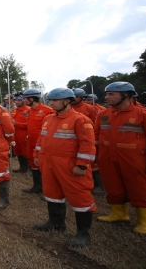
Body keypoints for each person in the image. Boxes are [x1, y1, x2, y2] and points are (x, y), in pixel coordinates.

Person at [95, 82, 146, 234]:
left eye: (111, 94)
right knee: (112, 186)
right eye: (107, 94)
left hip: (134, 159)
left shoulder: (145, 115)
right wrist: (95, 156)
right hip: (108, 158)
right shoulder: (103, 114)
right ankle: (119, 214)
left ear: (126, 95)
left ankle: (144, 222)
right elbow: (95, 136)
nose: (107, 97)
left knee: (139, 188)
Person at [32, 88, 96, 248]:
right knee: (52, 193)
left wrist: (82, 164)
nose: (51, 103)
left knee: (79, 196)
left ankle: (83, 233)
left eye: (54, 100)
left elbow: (87, 145)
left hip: (70, 166)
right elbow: (42, 138)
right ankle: (56, 223)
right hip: (49, 164)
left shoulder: (80, 120)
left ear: (67, 101)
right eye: (50, 100)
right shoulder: (49, 119)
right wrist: (36, 154)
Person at [21, 88, 56, 194]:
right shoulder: (30, 111)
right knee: (33, 164)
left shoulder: (48, 111)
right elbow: (29, 126)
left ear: (31, 99)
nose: (23, 101)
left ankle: (49, 190)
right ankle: (37, 186)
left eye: (25, 99)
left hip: (43, 144)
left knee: (45, 167)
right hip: (31, 142)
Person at [10, 94, 30, 173]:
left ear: (24, 101)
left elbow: (29, 125)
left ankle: (30, 169)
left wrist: (17, 124)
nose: (17, 102)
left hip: (24, 134)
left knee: (26, 152)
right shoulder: (15, 110)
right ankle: (22, 167)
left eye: (19, 100)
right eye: (16, 100)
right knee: (17, 151)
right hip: (15, 134)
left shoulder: (28, 110)